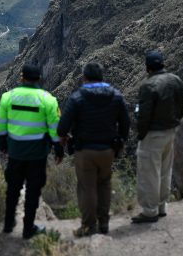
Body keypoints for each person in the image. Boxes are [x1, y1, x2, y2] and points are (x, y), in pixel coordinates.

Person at [57, 62, 130, 237]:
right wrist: (120, 141)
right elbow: (126, 123)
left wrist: (65, 138)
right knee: (104, 184)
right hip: (107, 150)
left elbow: (62, 128)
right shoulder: (116, 96)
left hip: (85, 150)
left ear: (84, 78)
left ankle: (89, 226)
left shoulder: (78, 97)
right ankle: (104, 223)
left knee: (87, 187)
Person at [0, 64, 64, 239]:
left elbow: (0, 125)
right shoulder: (48, 99)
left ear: (22, 78)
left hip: (15, 152)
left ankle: (9, 225)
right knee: (33, 190)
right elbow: (55, 128)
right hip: (37, 154)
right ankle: (28, 229)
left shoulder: (8, 97)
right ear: (39, 79)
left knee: (12, 188)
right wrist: (58, 149)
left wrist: (3, 144)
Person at [132, 50, 183, 223]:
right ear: (163, 64)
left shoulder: (148, 86)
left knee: (149, 173)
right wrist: (174, 121)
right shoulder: (175, 80)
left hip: (152, 135)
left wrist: (141, 135)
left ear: (147, 68)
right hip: (170, 132)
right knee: (165, 170)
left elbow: (144, 116)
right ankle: (162, 206)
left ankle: (150, 211)